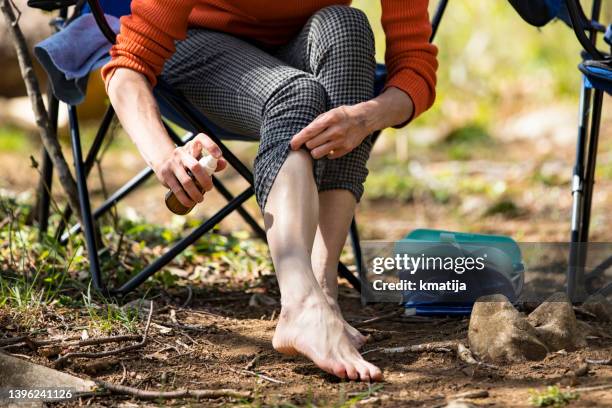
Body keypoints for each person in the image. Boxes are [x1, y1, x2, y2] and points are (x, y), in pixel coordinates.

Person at [102, 0, 437, 382]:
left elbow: (415, 69)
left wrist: (364, 117)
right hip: (196, 48)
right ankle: (300, 302)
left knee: (348, 27)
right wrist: (165, 156)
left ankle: (322, 291)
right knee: (296, 94)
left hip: (299, 46)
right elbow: (128, 66)